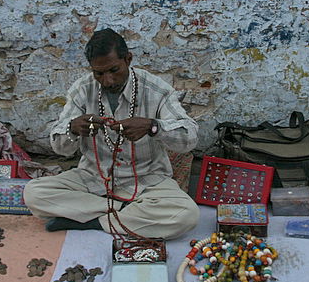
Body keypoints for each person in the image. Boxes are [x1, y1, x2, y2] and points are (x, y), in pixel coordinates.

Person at [24, 28, 200, 239]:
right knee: (33, 194)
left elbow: (189, 137)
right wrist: (72, 128)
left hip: (147, 181)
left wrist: (153, 127)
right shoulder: (82, 90)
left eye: (114, 70)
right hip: (93, 178)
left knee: (186, 215)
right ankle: (126, 213)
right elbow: (60, 148)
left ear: (128, 59)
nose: (108, 80)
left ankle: (94, 221)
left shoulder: (156, 90)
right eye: (99, 73)